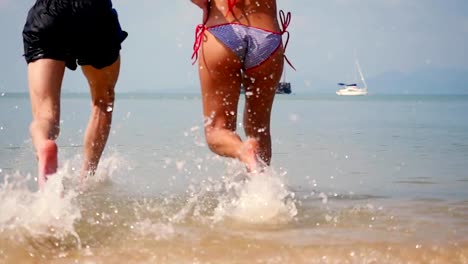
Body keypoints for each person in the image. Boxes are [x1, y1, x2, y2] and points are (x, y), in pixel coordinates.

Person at [22, 0, 127, 189]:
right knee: (103, 102)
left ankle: (44, 145)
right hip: (94, 12)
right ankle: (86, 178)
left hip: (49, 12)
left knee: (45, 115)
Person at [190, 0, 293, 173]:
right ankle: (262, 188)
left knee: (217, 130)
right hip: (267, 38)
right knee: (259, 128)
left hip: (223, 31)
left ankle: (243, 150)